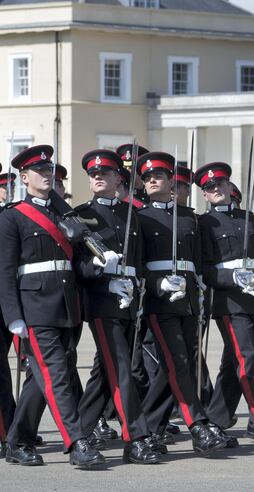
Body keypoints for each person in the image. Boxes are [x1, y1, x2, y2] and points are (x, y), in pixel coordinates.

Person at [0, 145, 105, 467]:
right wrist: (13, 316)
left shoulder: (64, 214)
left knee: (40, 379)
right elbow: (4, 271)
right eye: (40, 171)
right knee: (57, 375)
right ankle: (77, 442)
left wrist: (100, 263)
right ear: (24, 177)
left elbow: (74, 265)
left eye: (49, 170)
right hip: (34, 307)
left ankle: (18, 441)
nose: (46, 175)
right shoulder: (12, 216)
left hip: (67, 306)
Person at [134, 151, 226, 457]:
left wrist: (198, 288)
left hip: (188, 300)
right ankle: (198, 424)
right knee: (177, 362)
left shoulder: (189, 217)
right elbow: (136, 261)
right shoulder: (140, 217)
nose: (150, 181)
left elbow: (198, 262)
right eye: (146, 178)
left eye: (157, 176)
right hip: (159, 301)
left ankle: (144, 429)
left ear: (172, 180)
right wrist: (157, 282)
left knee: (175, 366)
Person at [72, 149, 161, 464]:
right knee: (121, 367)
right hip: (102, 301)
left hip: (130, 301)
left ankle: (77, 434)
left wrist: (138, 292)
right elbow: (79, 268)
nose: (97, 177)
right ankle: (135, 437)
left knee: (104, 373)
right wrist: (101, 272)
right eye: (93, 174)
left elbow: (139, 260)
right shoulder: (80, 215)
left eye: (105, 173)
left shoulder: (132, 214)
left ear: (118, 179)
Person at [196, 162, 254, 453]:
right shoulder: (204, 224)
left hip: (253, 301)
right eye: (210, 187)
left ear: (229, 186)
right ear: (205, 195)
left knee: (233, 365)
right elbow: (203, 270)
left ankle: (214, 421)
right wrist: (229, 277)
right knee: (249, 361)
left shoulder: (251, 220)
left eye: (220, 184)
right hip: (229, 302)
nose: (216, 190)